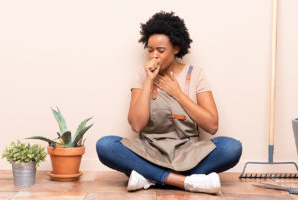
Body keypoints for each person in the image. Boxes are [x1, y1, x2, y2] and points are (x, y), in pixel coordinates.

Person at [96, 11, 242, 194]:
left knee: (231, 148)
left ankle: (150, 177)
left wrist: (177, 93)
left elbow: (212, 125)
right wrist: (149, 80)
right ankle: (186, 182)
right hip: (150, 151)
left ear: (176, 48)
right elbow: (136, 124)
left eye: (161, 50)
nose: (154, 56)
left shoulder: (196, 74)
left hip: (189, 152)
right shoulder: (142, 74)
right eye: (150, 50)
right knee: (105, 145)